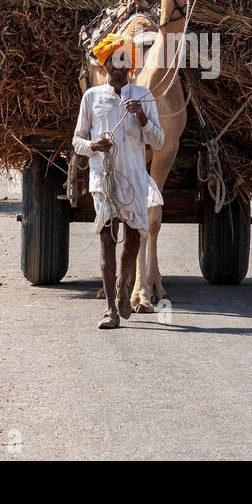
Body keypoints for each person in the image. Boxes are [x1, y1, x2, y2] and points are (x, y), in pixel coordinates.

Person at [72, 33, 165, 330]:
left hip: (135, 181)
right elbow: (77, 141)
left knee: (133, 242)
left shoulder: (144, 96)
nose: (119, 65)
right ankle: (110, 308)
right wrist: (93, 147)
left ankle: (125, 289)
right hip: (104, 181)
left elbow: (159, 141)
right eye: (114, 58)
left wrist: (142, 118)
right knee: (106, 242)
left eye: (125, 59)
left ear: (130, 66)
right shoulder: (92, 97)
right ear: (106, 62)